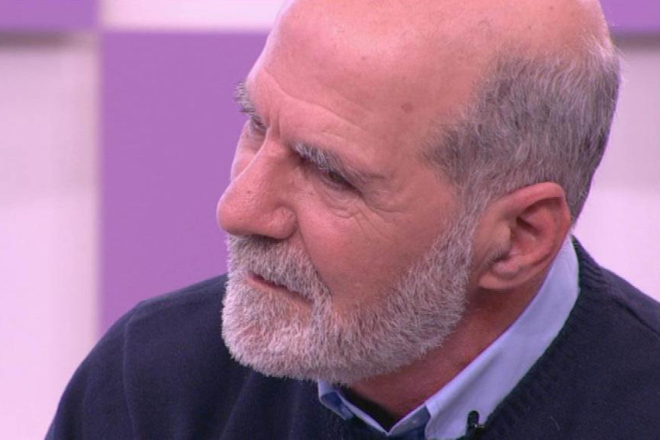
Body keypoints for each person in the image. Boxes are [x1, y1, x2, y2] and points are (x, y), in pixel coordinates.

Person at [48, 0, 660, 438]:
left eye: (329, 173)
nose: (238, 210)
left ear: (517, 239)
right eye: (257, 124)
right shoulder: (150, 386)